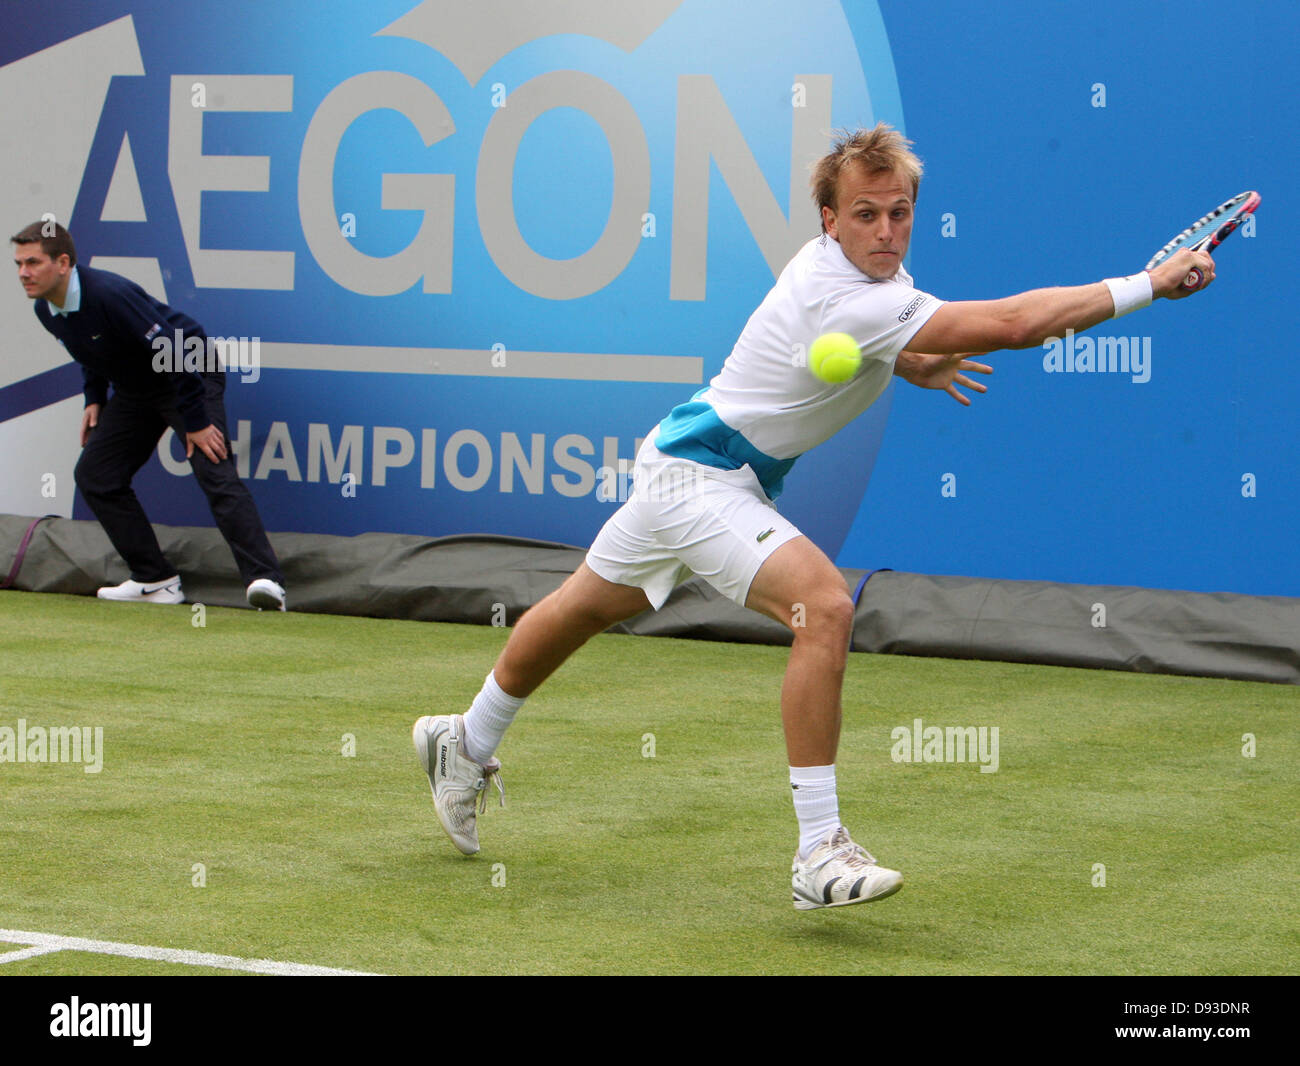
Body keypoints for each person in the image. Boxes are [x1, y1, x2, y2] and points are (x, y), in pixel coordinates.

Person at [412, 124, 1215, 910]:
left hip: (688, 461)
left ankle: (465, 740)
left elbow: (870, 334)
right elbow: (1014, 325)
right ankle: (819, 850)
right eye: (865, 214)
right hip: (702, 479)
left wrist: (908, 361)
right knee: (824, 606)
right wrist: (1149, 284)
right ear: (829, 220)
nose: (886, 230)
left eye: (899, 212)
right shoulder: (846, 291)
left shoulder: (867, 282)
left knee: (582, 609)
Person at [11, 221, 287, 610]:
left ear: (63, 263)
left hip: (187, 373)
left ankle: (266, 581)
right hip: (137, 388)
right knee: (96, 476)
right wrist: (95, 398)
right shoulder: (47, 309)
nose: (23, 273)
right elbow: (88, 348)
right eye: (19, 263)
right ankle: (155, 579)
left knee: (213, 467)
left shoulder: (109, 294)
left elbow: (174, 350)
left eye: (33, 262)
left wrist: (195, 420)